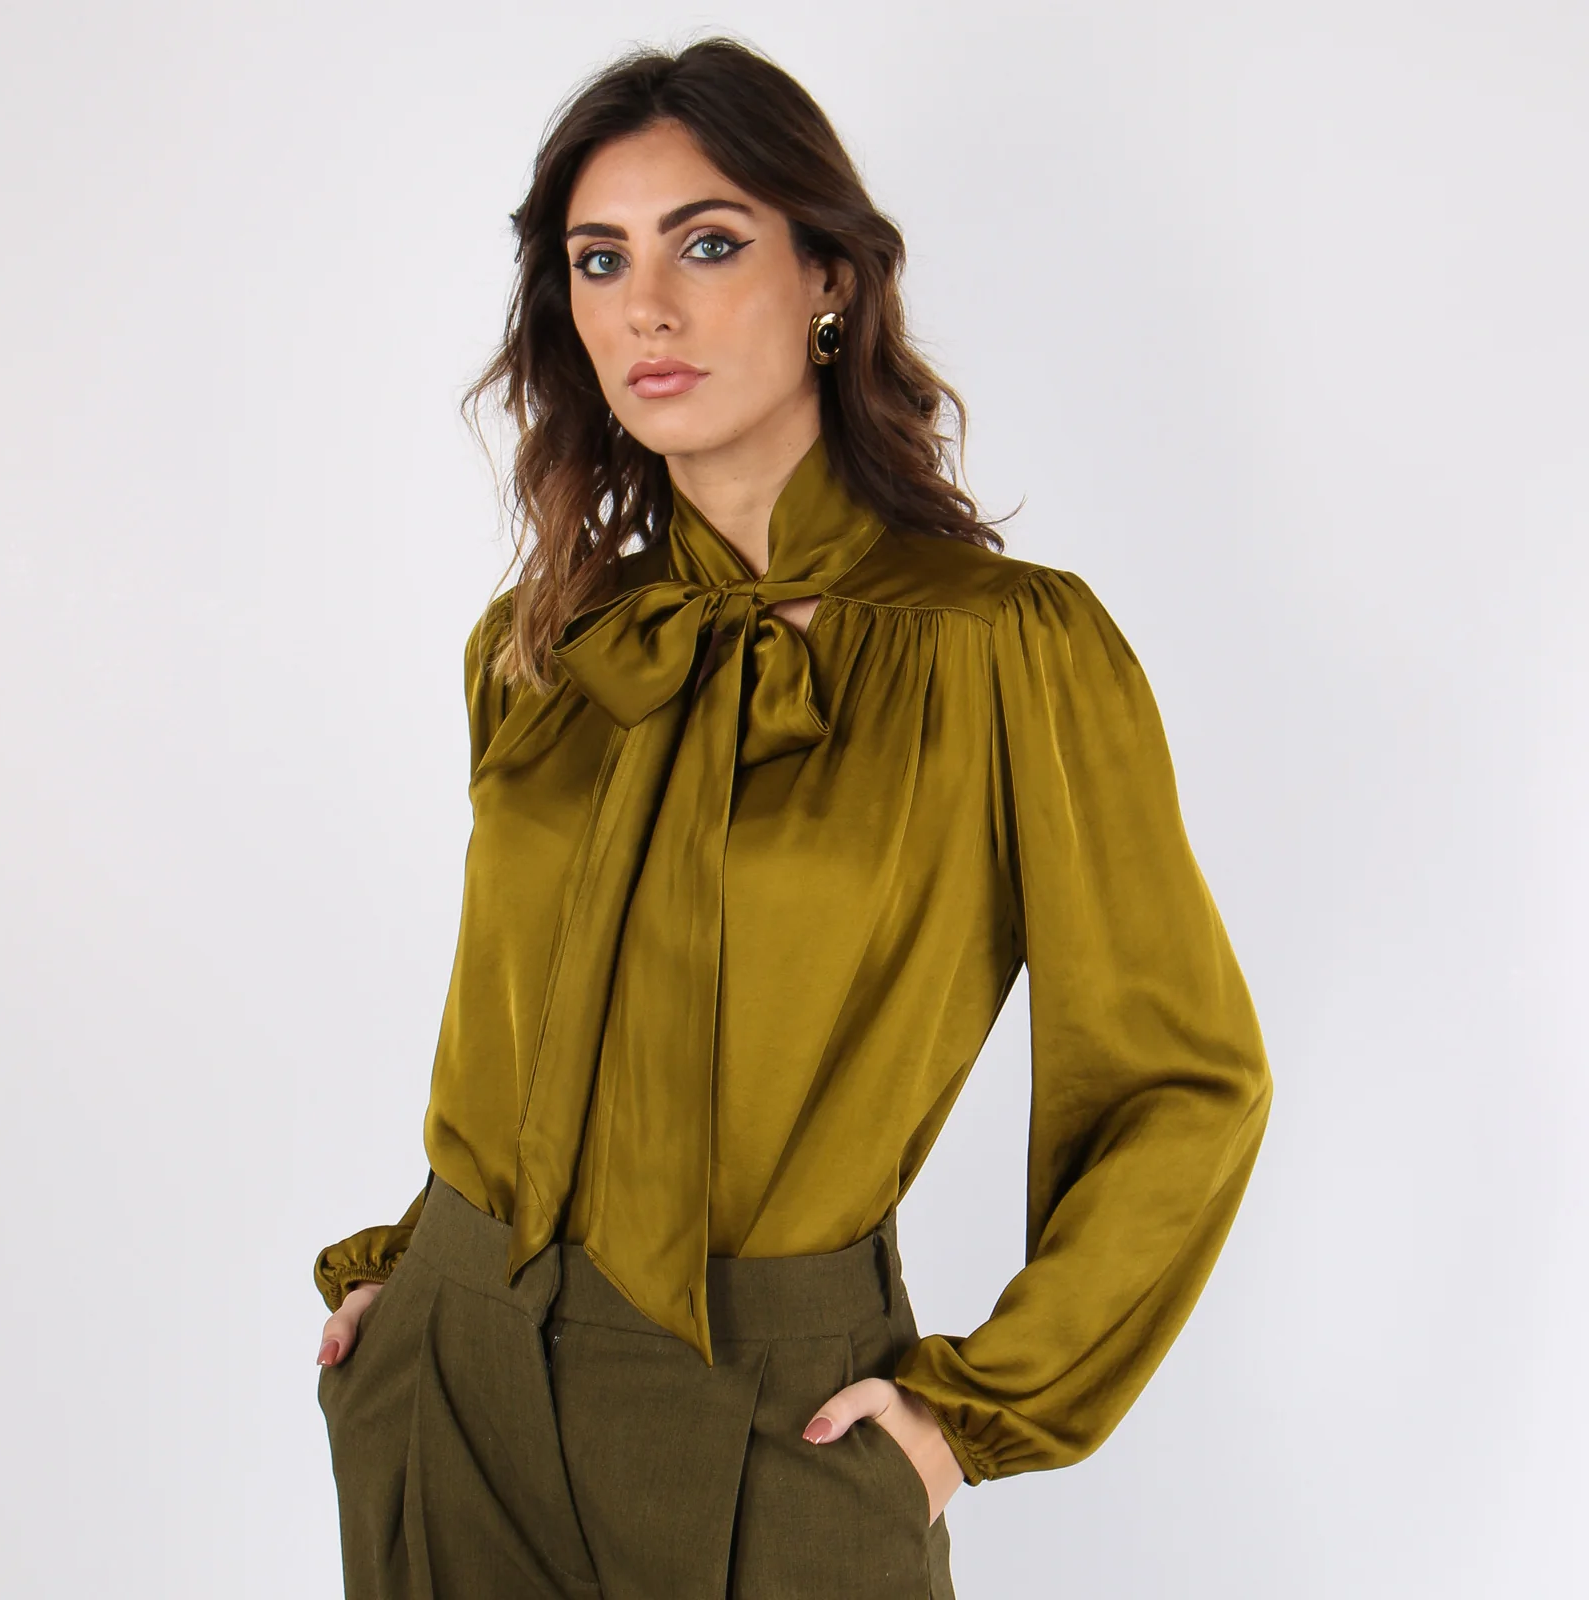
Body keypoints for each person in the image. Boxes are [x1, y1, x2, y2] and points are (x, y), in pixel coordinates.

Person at [311, 36, 1272, 1600]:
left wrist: (968, 1420)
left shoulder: (1003, 654)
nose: (647, 306)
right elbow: (513, 1023)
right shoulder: (542, 651)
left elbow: (1182, 1080)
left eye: (706, 244)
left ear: (828, 276)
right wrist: (406, 1289)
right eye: (599, 260)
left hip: (779, 1426)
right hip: (452, 1393)